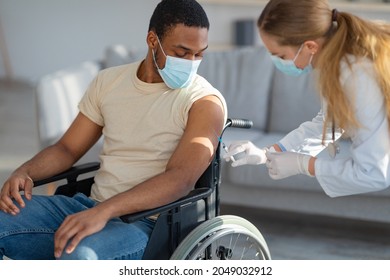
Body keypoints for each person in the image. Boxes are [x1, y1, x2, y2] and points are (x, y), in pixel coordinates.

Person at [0, 0, 227, 260]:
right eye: (182, 52)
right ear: (153, 40)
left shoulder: (205, 102)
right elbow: (67, 148)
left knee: (80, 257)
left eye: (199, 54)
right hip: (88, 206)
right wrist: (24, 171)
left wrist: (104, 212)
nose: (192, 62)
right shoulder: (109, 82)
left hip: (148, 224)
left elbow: (180, 179)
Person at [224, 0, 390, 198]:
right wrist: (266, 152)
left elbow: (374, 173)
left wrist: (305, 165)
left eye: (280, 55)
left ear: (310, 46)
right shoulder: (339, 64)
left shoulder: (358, 73)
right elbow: (327, 124)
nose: (278, 62)